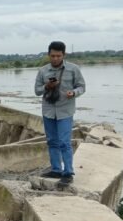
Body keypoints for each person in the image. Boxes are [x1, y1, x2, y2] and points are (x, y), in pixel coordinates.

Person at [34, 41, 86, 185]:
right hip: (48, 110)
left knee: (64, 142)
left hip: (65, 110)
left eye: (58, 56)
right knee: (52, 141)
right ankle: (56, 169)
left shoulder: (73, 69)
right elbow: (37, 90)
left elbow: (82, 87)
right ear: (48, 55)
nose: (55, 59)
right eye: (52, 56)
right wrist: (47, 86)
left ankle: (68, 172)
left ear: (64, 55)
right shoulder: (43, 71)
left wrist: (73, 93)